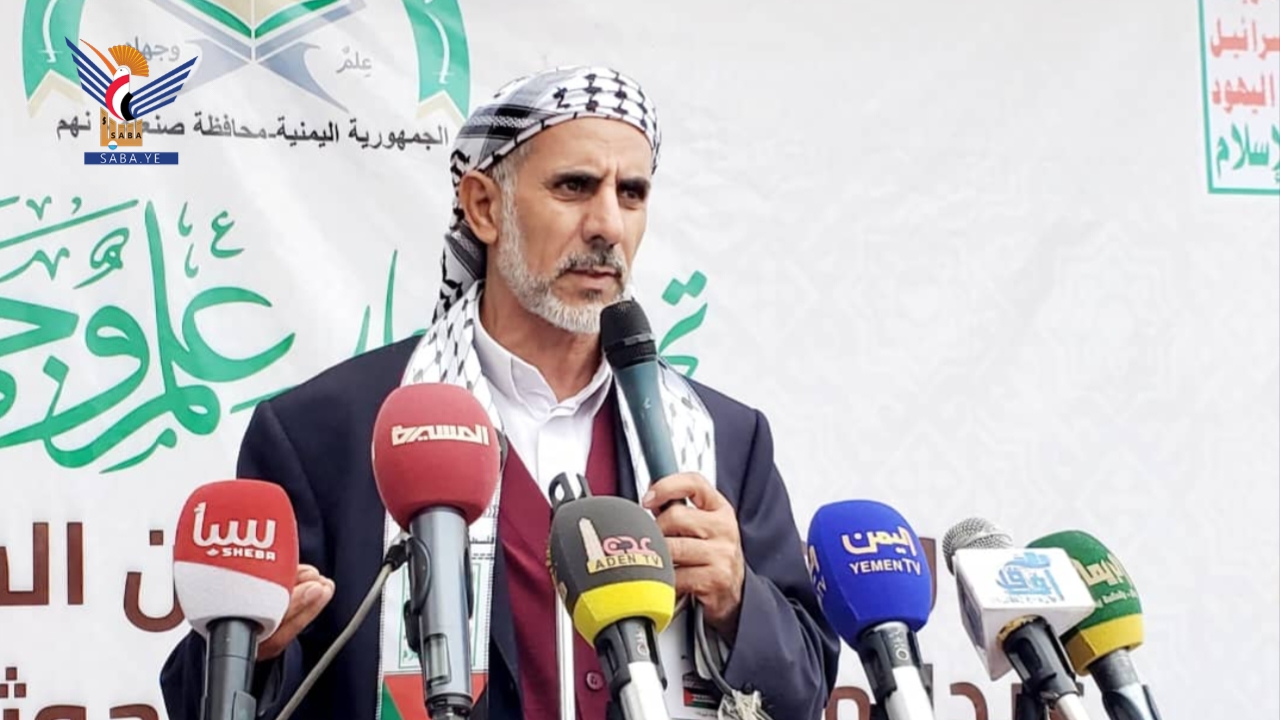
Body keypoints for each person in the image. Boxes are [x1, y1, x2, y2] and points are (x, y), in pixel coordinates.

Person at [160, 65, 839, 720]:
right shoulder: (327, 433)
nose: (608, 225)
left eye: (631, 194)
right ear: (484, 207)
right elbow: (204, 700)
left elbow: (804, 691)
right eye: (575, 186)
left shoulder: (723, 437)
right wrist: (254, 654)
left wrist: (737, 602)